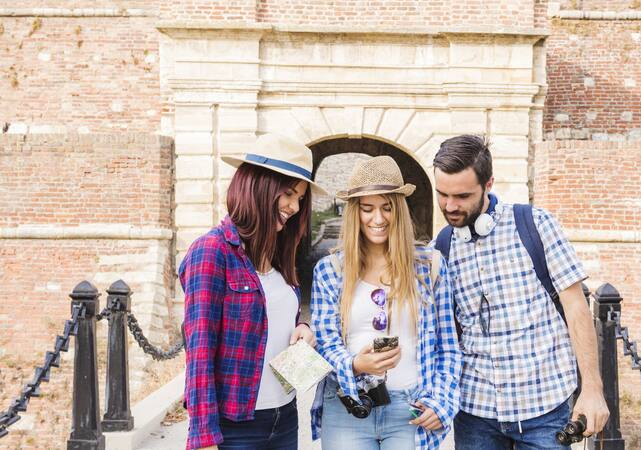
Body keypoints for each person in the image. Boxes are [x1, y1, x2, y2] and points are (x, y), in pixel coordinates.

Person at [431, 135, 609, 450]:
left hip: (545, 407)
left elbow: (576, 307)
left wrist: (592, 388)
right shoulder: (440, 249)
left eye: (461, 196)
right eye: (442, 194)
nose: (450, 205)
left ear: (488, 185)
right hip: (475, 412)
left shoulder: (536, 225)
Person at [180, 133, 326, 450]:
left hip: (285, 417)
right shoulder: (212, 251)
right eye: (288, 194)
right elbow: (199, 350)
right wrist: (203, 438)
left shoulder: (279, 254)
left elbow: (281, 314)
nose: (294, 206)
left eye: (300, 198)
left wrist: (303, 327)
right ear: (258, 187)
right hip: (235, 429)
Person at [310, 156, 461, 450]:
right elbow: (326, 344)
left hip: (411, 406)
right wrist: (355, 364)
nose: (377, 219)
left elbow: (448, 348)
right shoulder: (330, 270)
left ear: (399, 211)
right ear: (355, 213)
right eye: (367, 209)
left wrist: (441, 402)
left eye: (386, 208)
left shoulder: (429, 266)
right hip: (348, 406)